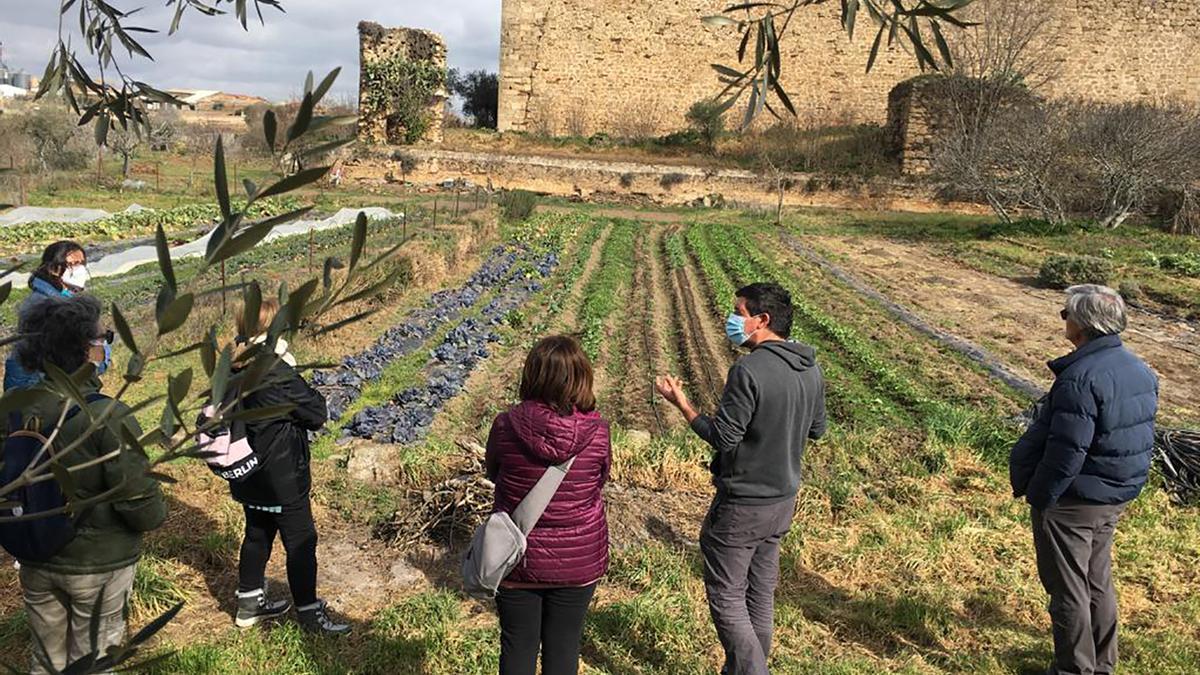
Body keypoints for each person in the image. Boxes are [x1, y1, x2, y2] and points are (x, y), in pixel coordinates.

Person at [656, 282, 826, 675]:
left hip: (743, 504)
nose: (732, 320)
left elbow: (724, 437)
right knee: (760, 594)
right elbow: (817, 430)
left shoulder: (748, 370)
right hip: (783, 500)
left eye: (739, 312)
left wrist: (683, 405)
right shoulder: (810, 367)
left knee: (728, 595)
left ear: (762, 320)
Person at [6, 293, 166, 674]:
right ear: (84, 349)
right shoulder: (105, 414)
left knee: (45, 659)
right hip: (98, 562)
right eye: (103, 338)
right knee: (94, 661)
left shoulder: (14, 404)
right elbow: (142, 503)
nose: (105, 345)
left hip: (35, 552)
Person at [1009, 284, 1157, 675]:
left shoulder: (1080, 378)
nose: (1064, 319)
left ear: (1084, 324)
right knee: (1096, 579)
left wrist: (1042, 496)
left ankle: (1074, 669)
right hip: (1113, 493)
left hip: (1074, 499)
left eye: (1066, 313)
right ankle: (1102, 663)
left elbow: (1066, 451)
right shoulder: (1138, 368)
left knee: (1067, 588)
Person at [485, 335, 611, 675]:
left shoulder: (505, 425)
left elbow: (494, 473)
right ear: (582, 377)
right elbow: (599, 480)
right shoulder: (598, 431)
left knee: (517, 644)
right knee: (564, 646)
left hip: (516, 556)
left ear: (532, 375)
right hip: (578, 560)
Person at [228, 298, 349, 635]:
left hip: (246, 471)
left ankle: (249, 606)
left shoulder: (232, 365)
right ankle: (310, 615)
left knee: (256, 534)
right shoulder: (277, 371)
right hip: (281, 475)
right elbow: (316, 414)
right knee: (301, 541)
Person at [4, 241, 110, 391]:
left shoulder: (65, 300)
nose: (80, 269)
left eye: (82, 263)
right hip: (38, 389)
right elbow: (71, 359)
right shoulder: (47, 308)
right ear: (53, 268)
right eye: (73, 264)